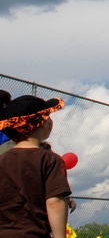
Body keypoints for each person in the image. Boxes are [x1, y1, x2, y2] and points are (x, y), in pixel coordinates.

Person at [0, 95, 72, 237]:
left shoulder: (2, 160)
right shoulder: (49, 159)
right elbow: (55, 202)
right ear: (43, 122)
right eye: (48, 116)